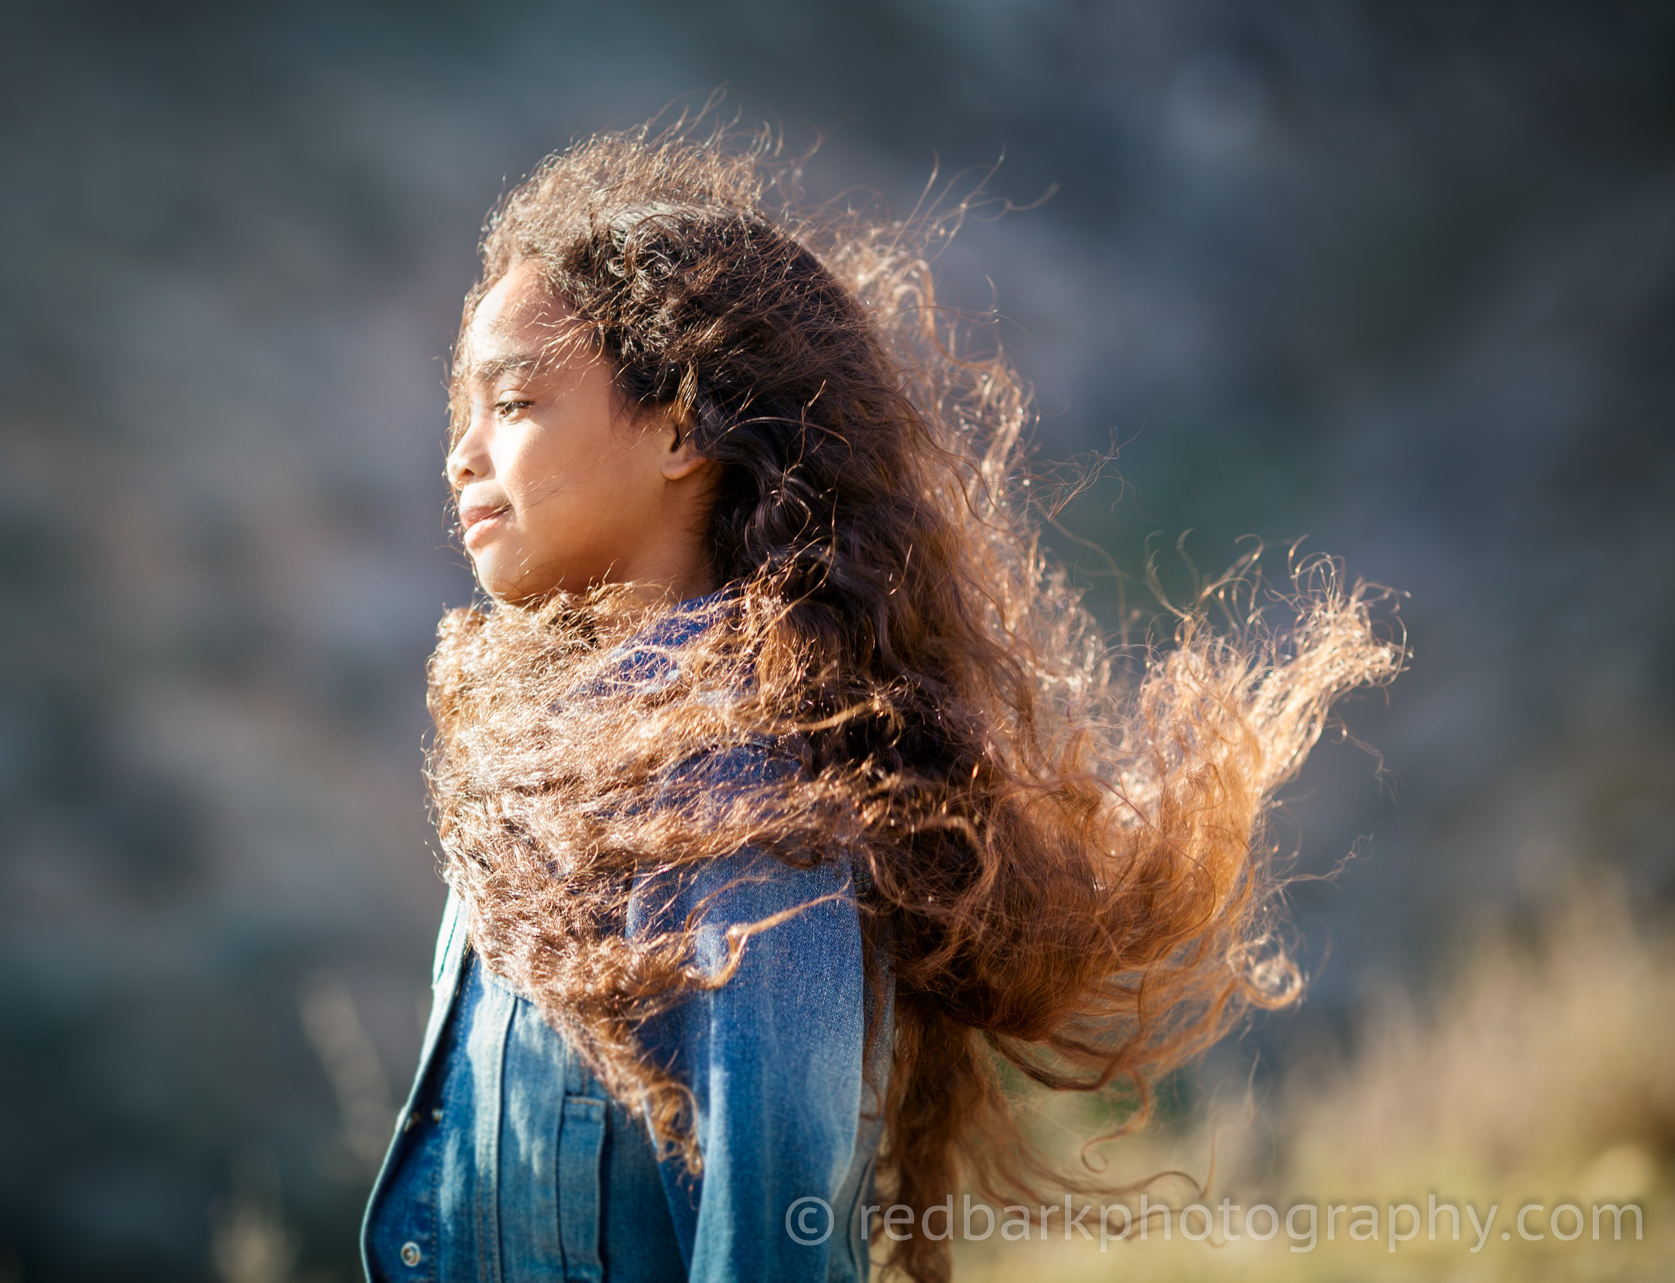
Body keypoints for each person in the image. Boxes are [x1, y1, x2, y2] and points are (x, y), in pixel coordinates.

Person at [360, 117, 1399, 1283]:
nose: (459, 455)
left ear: (678, 425)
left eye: (513, 404)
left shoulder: (756, 813)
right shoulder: (531, 767)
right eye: (463, 413)